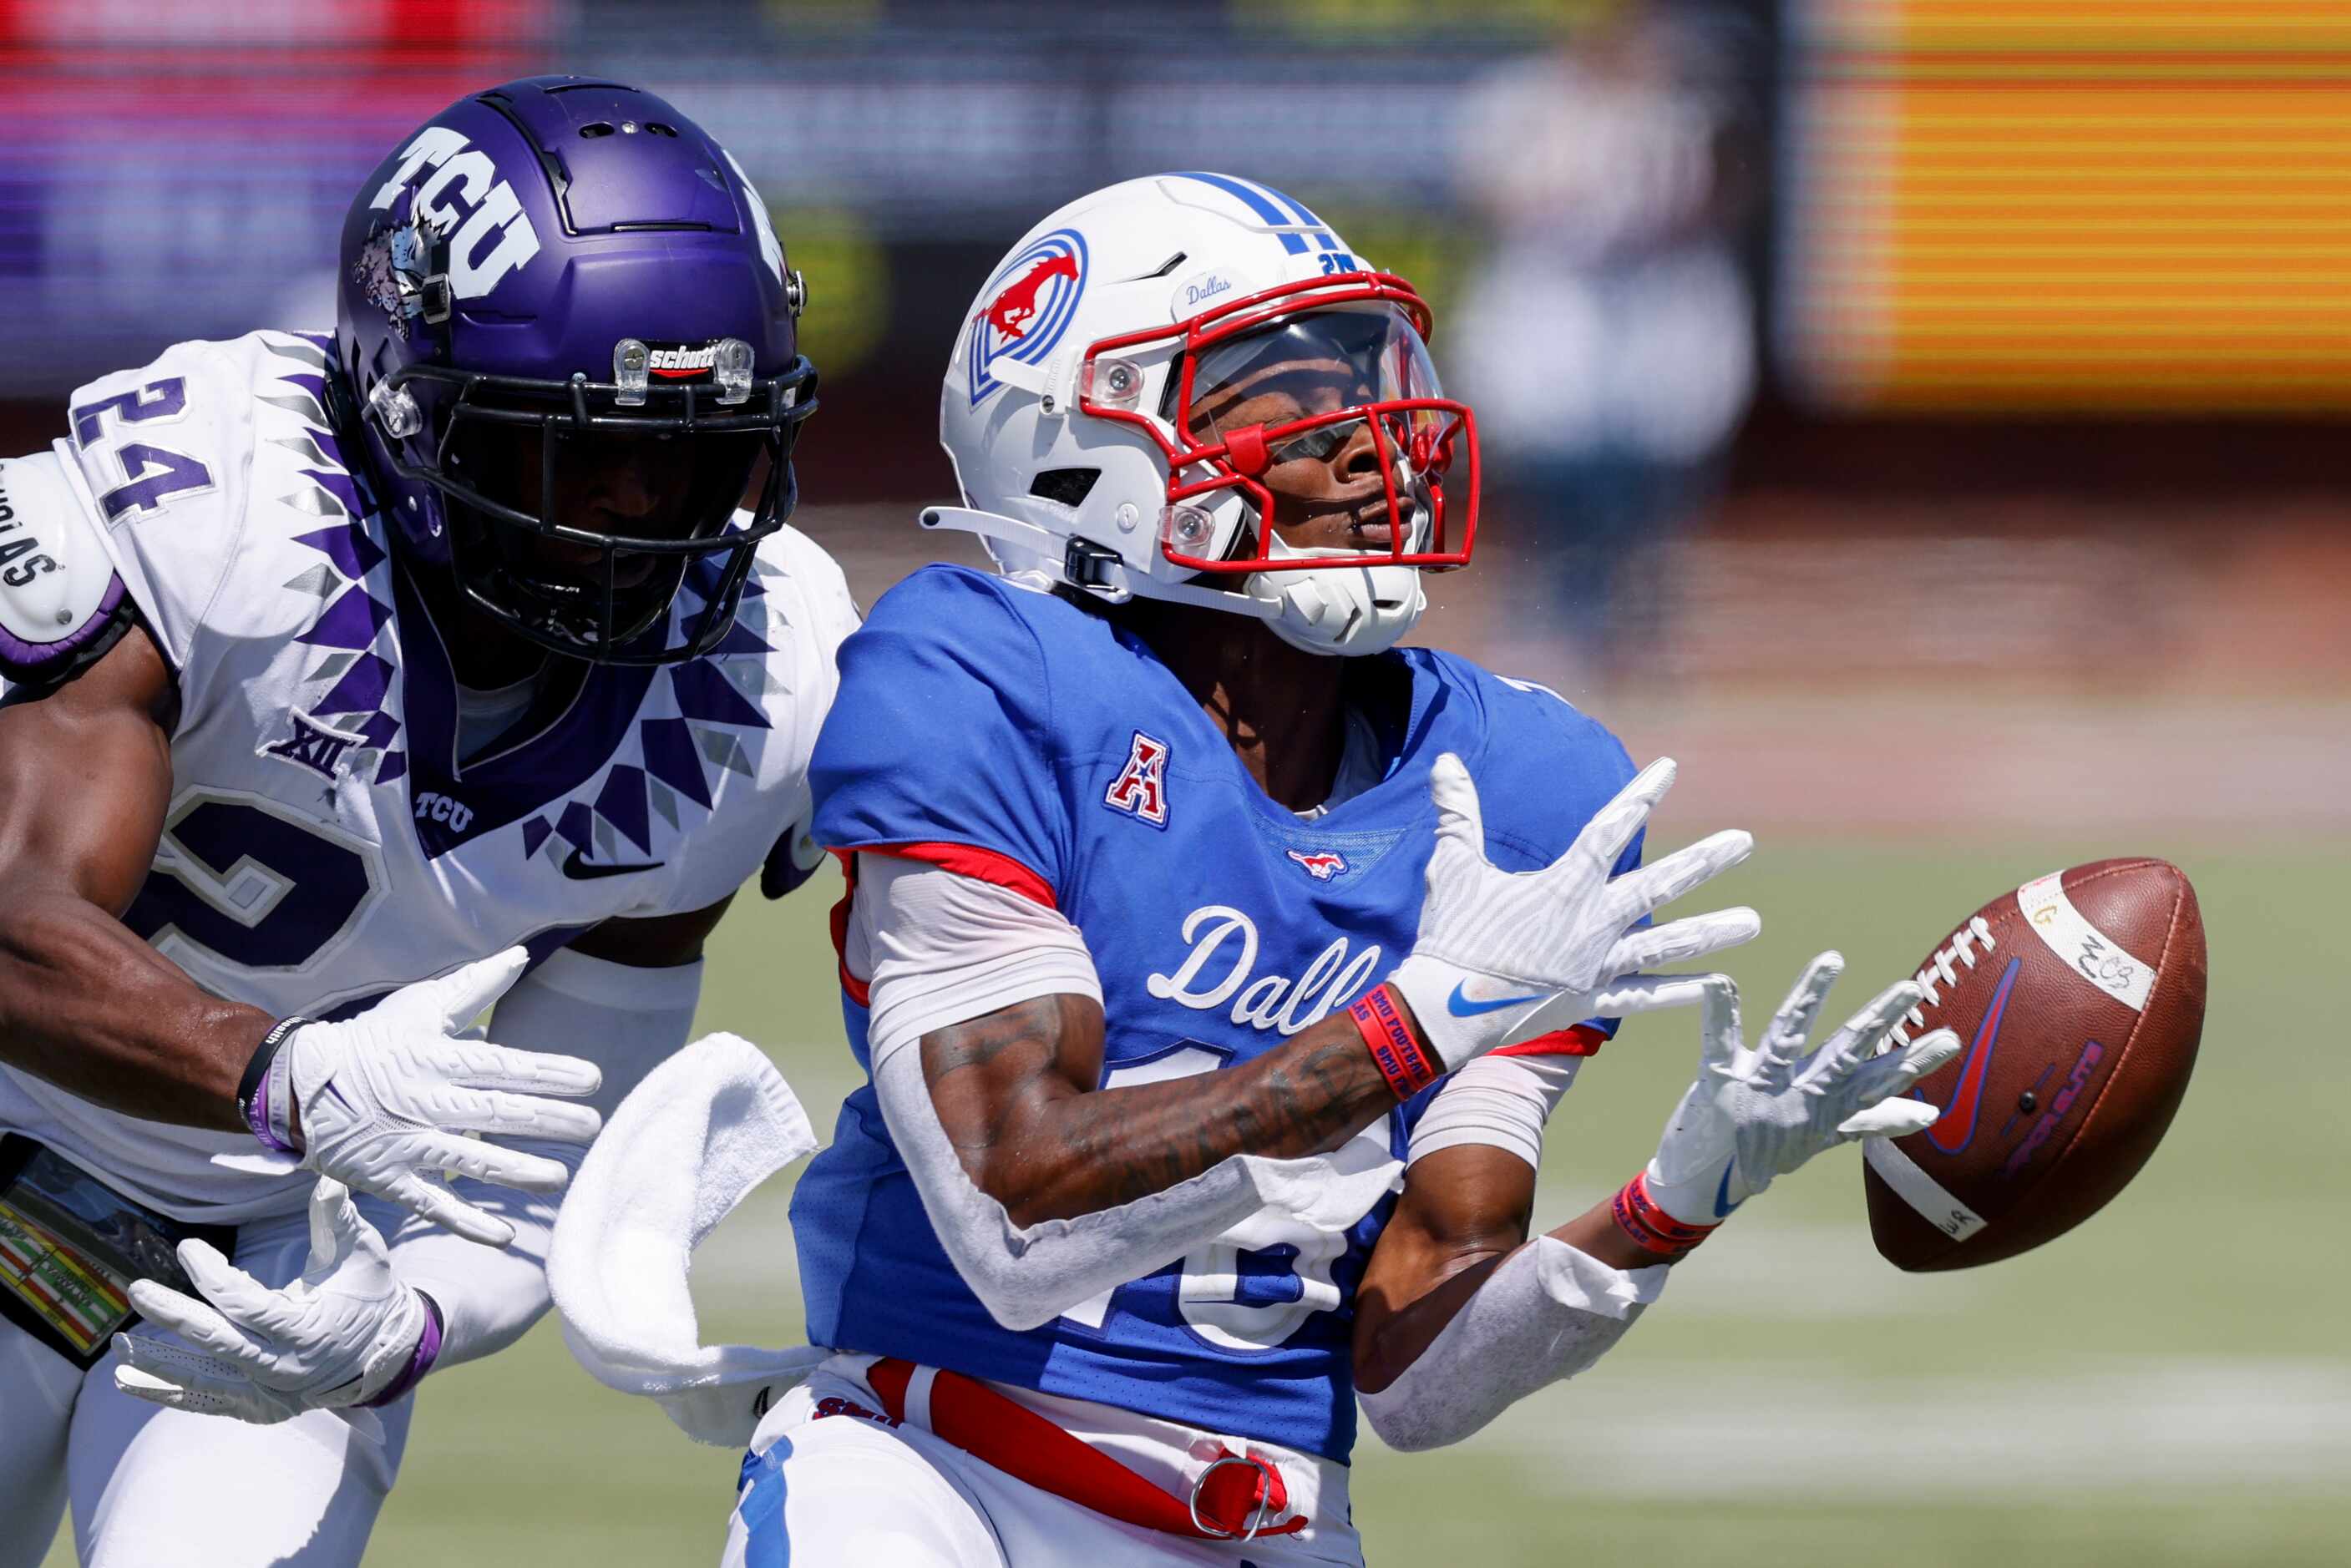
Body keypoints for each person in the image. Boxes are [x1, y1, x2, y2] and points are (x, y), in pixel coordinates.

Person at [716, 175, 1958, 1565]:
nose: (1378, 443)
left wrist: (1670, 1209)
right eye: (1278, 397)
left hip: (1272, 1522)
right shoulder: (985, 680)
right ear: (1081, 445)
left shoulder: (1523, 784)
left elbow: (1414, 1375)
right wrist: (1404, 1028)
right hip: (938, 1477)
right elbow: (1014, 1221)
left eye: (1374, 377)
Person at [0, 75, 855, 1566]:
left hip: (279, 1254)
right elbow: (10, 923)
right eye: (586, 450)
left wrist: (406, 1318)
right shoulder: (222, 504)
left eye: (698, 450)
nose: (644, 511)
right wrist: (282, 1078)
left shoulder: (765, 681)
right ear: (411, 407)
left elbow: (548, 1131)